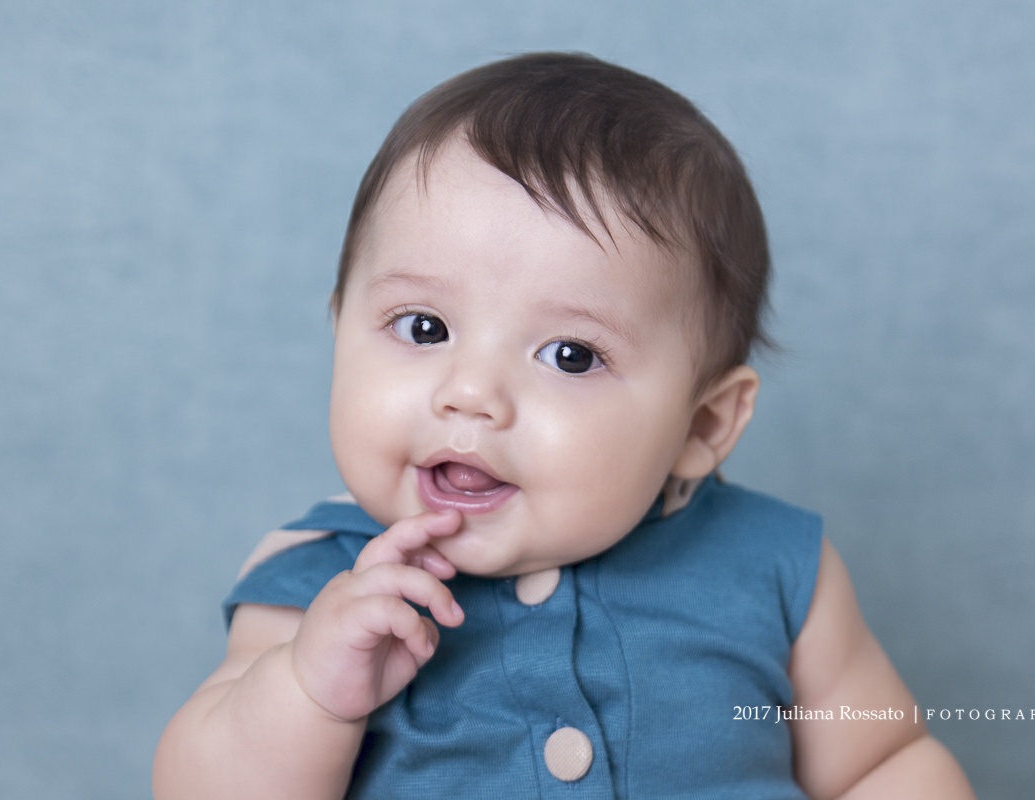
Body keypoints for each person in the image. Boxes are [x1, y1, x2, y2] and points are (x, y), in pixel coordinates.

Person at [153, 52, 975, 799]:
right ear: (339, 331)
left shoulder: (773, 565)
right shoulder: (318, 587)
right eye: (425, 328)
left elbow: (882, 764)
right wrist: (308, 691)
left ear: (704, 422)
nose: (470, 394)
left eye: (572, 355)